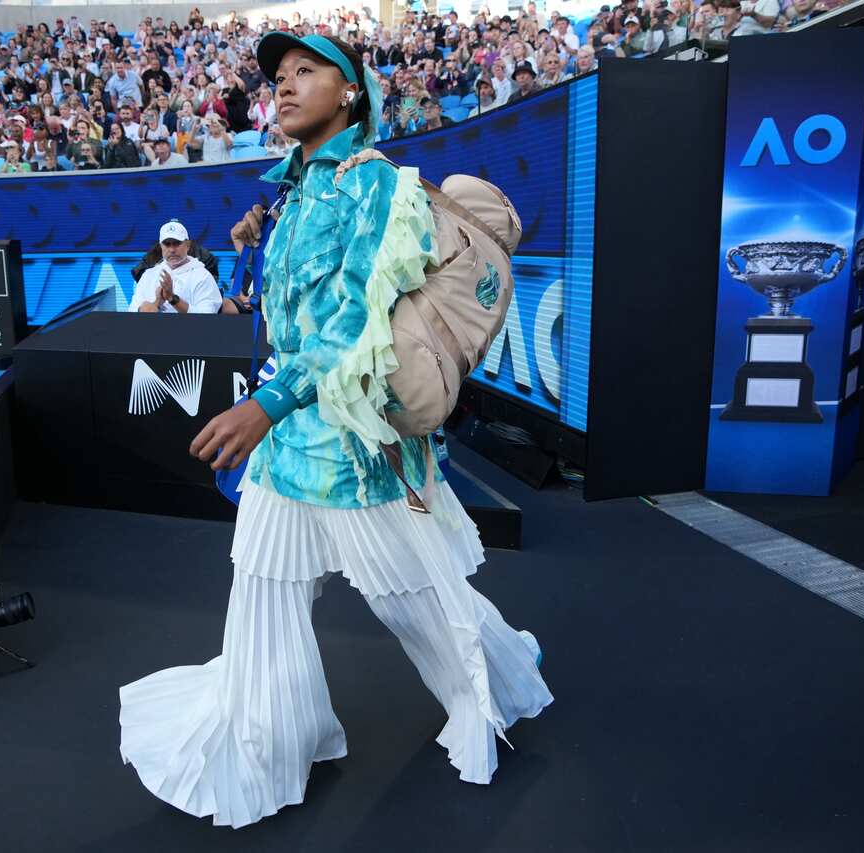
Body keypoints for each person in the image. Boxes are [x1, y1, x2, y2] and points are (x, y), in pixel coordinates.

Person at [119, 31, 551, 830]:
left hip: (352, 443)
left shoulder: (376, 185)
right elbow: (291, 315)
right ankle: (267, 739)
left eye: (305, 72)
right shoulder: (295, 192)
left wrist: (267, 403)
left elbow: (355, 319)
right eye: (277, 77)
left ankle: (503, 680)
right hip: (288, 445)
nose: (283, 87)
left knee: (413, 597)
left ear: (351, 92)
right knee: (262, 592)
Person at [127, 219, 223, 314]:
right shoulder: (148, 276)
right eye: (167, 244)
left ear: (188, 245)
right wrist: (152, 305)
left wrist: (173, 299)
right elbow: (132, 310)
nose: (172, 250)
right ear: (161, 246)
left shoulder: (202, 276)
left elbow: (207, 316)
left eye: (177, 243)